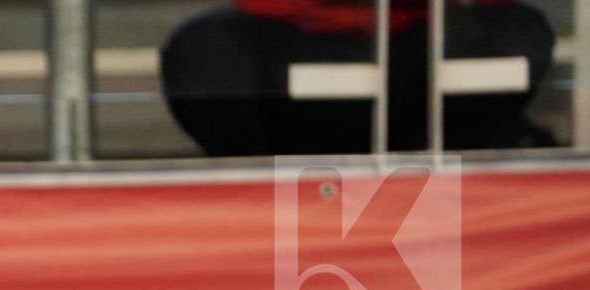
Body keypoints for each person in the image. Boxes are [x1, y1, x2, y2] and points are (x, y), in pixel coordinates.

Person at [159, 0, 556, 154]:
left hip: (418, 39)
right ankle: (253, 191)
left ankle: (427, 169)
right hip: (286, 41)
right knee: (203, 47)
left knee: (518, 32)